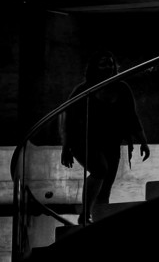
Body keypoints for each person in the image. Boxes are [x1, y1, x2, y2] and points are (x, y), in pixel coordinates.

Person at [59, 50, 149, 225]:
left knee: (106, 187)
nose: (108, 67)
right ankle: (85, 214)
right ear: (95, 68)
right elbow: (68, 120)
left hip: (111, 143)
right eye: (103, 64)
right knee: (100, 169)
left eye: (111, 63)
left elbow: (132, 117)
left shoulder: (122, 88)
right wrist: (66, 147)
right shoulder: (84, 90)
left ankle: (97, 221)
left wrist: (143, 142)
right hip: (84, 141)